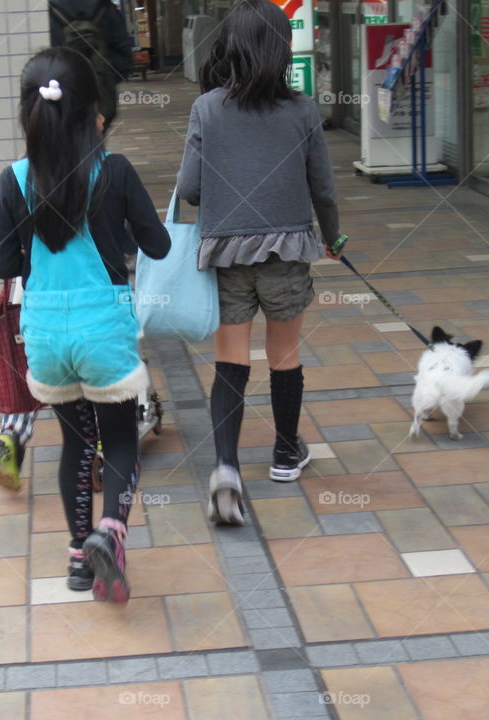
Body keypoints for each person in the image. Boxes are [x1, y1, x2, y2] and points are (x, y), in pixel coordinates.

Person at [0, 47, 170, 602]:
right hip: (103, 330)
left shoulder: (14, 180)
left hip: (45, 334)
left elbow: (4, 265)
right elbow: (157, 246)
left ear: (29, 114)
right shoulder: (111, 171)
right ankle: (110, 532)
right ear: (93, 111)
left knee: (74, 441)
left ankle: (77, 560)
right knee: (119, 442)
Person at [176, 0, 342, 525]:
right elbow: (323, 186)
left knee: (231, 361)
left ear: (231, 45)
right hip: (288, 250)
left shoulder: (207, 108)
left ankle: (226, 467)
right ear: (279, 48)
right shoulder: (302, 109)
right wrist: (334, 236)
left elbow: (189, 189)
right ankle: (285, 453)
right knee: (284, 355)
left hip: (225, 250)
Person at [48, 0, 132, 128]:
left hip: (60, 95)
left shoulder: (47, 9)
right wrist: (106, 78)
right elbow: (124, 58)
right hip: (100, 97)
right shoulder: (106, 7)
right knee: (96, 139)